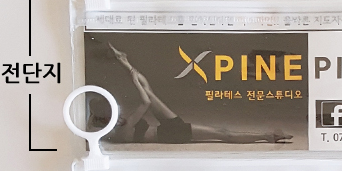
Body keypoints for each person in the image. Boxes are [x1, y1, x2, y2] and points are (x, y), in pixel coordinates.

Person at [101, 42, 293, 144]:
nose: (119, 118)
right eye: (114, 121)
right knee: (223, 134)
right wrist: (134, 82)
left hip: (167, 128)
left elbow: (147, 95)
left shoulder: (119, 129)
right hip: (173, 134)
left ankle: (123, 60)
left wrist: (128, 68)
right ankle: (267, 136)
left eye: (116, 117)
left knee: (149, 91)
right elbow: (145, 103)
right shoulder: (121, 133)